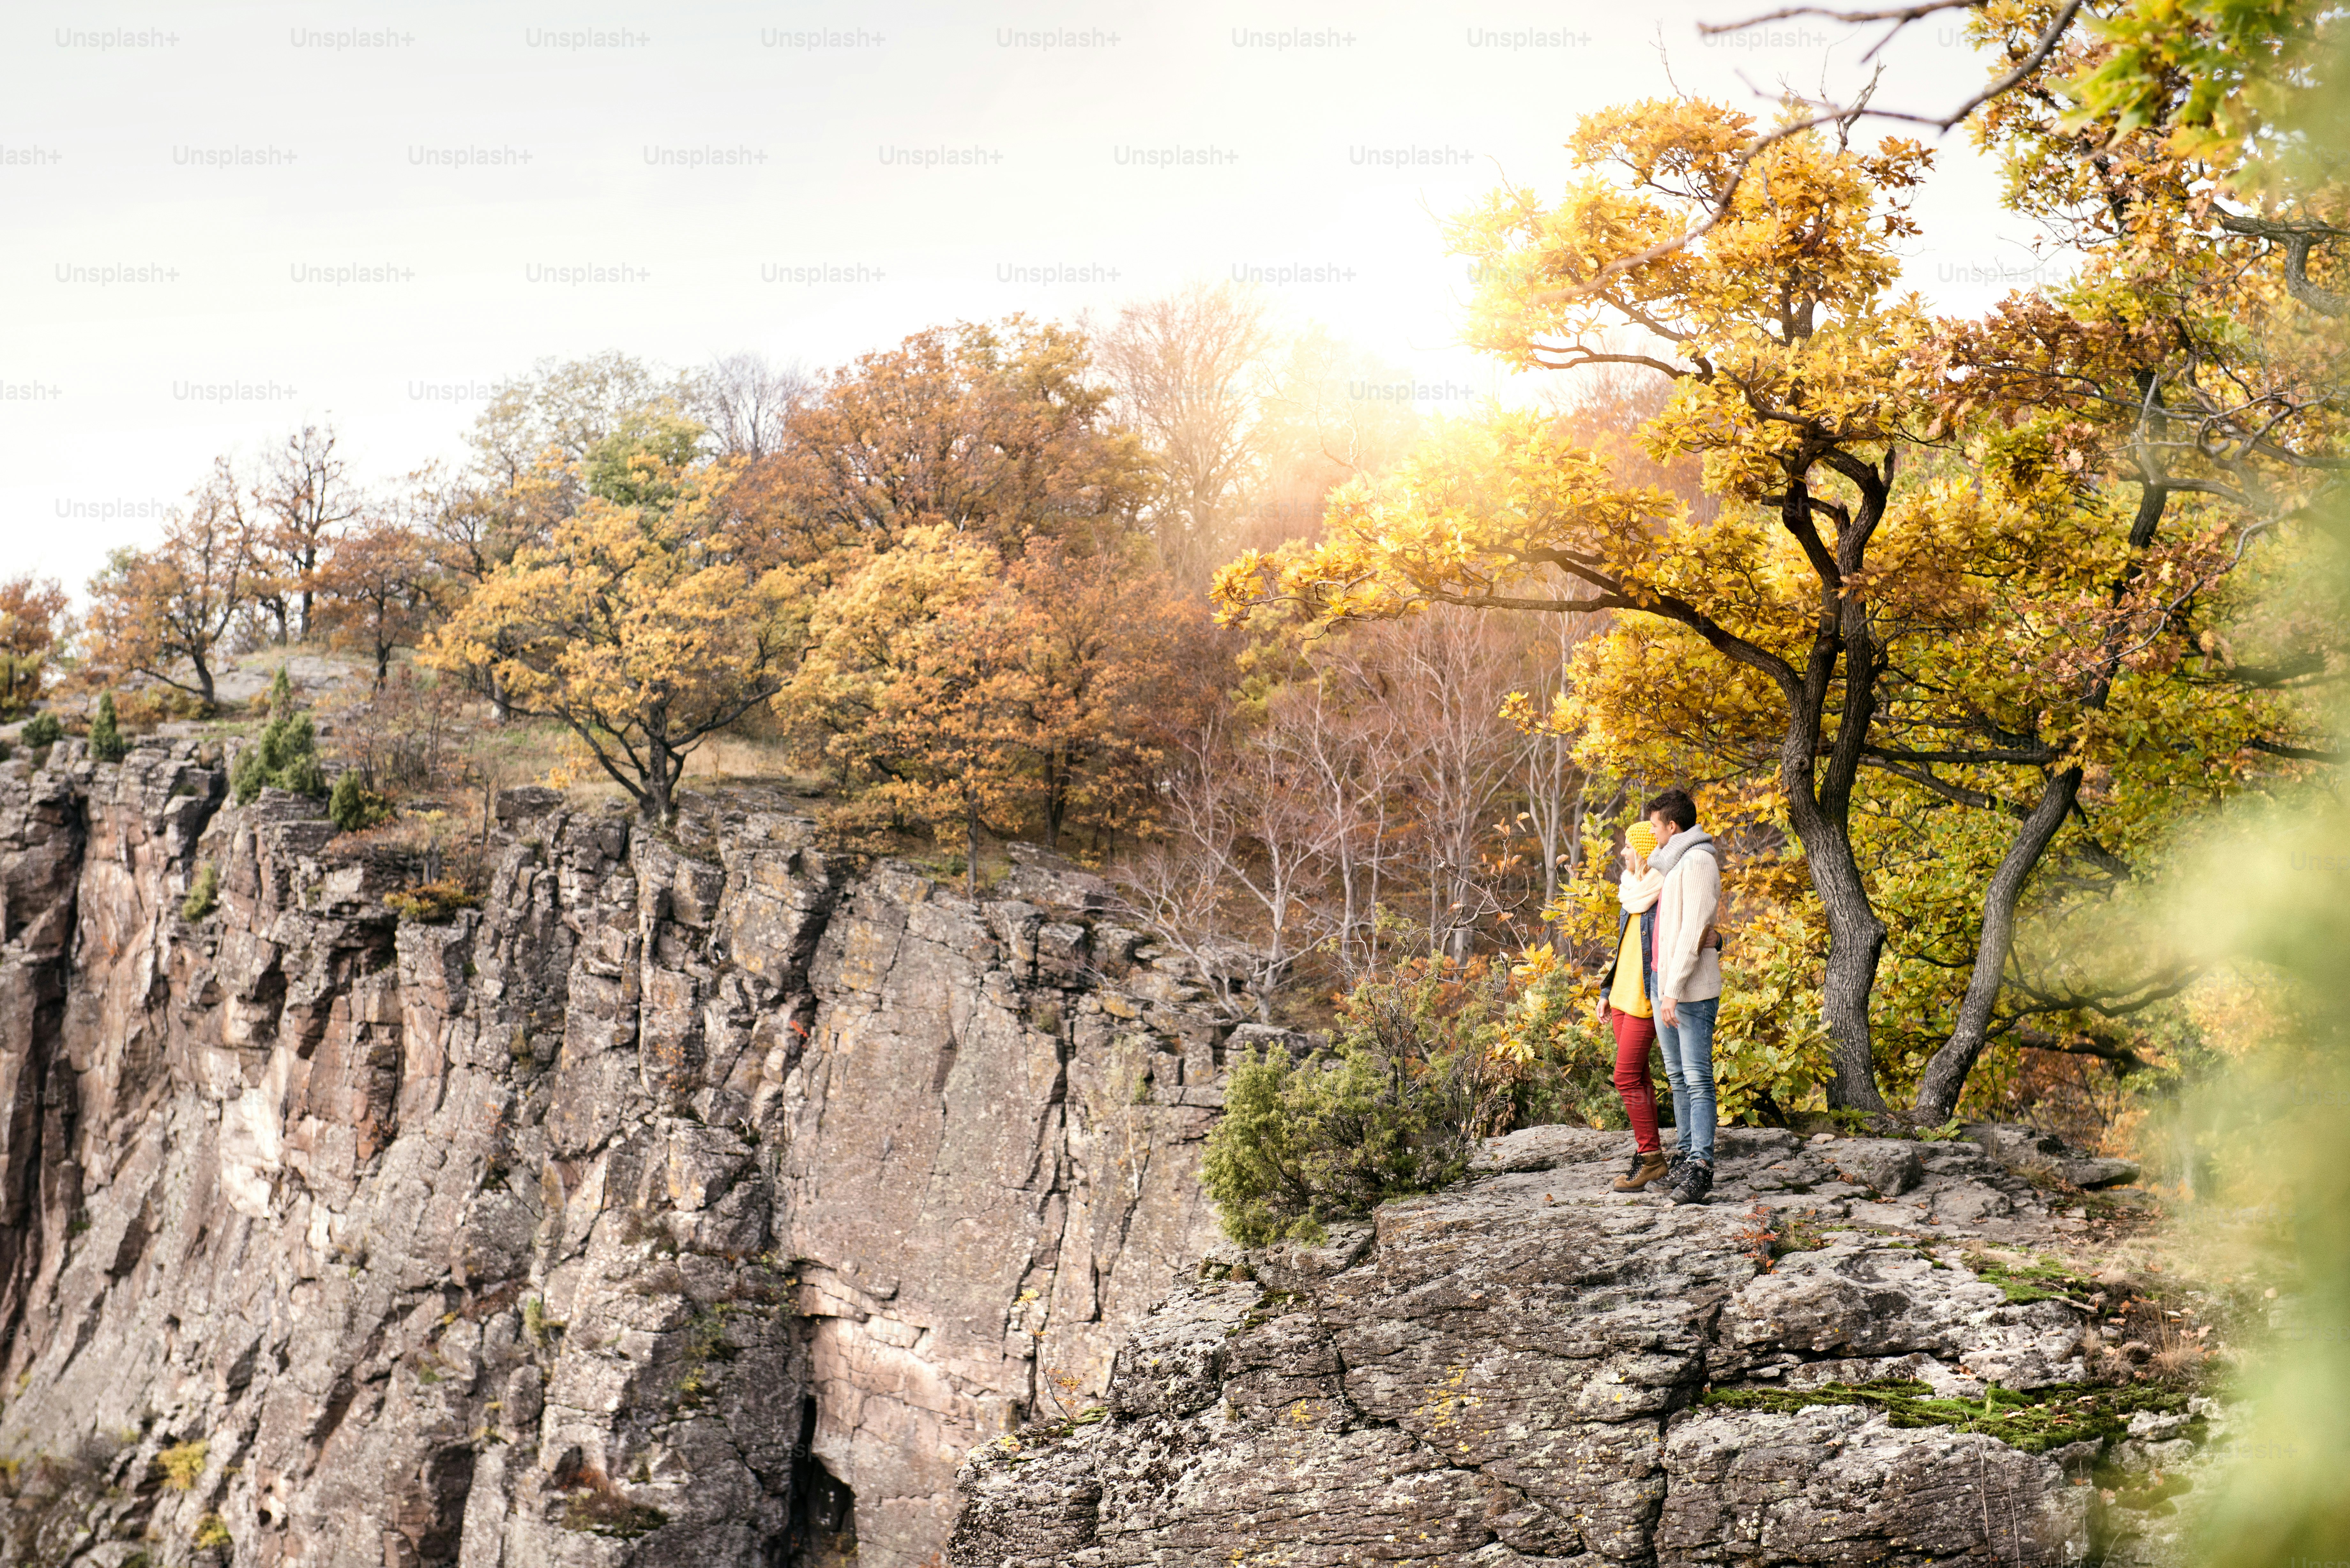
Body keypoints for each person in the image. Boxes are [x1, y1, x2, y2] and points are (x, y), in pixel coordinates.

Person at [1644, 787, 1722, 1206]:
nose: (1652, 833)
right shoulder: (1673, 863)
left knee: (1697, 1078)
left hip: (1688, 990)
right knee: (1677, 1077)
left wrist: (1672, 992)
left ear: (1672, 827)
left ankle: (1701, 1167)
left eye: (1656, 825)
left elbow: (1694, 931)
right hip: (1665, 984)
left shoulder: (1697, 862)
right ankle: (1686, 1155)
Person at [1602, 822, 1669, 1191]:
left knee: (1625, 1077)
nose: (1623, 852)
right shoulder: (1630, 892)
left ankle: (1651, 1159)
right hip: (1620, 1000)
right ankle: (1650, 1155)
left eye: (1628, 847)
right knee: (1639, 1078)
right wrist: (1605, 991)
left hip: (1644, 1001)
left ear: (1642, 852)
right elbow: (1623, 950)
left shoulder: (1660, 895)